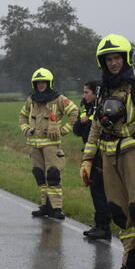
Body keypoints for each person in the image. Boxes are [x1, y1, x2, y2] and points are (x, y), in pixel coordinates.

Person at [81, 34, 135, 269]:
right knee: (121, 214)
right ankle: (131, 264)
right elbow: (95, 128)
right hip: (109, 157)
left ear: (126, 59)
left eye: (117, 58)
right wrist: (87, 159)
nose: (113, 63)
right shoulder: (103, 91)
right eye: (109, 59)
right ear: (102, 62)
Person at [19, 68, 78, 220]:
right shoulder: (31, 100)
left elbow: (74, 112)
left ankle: (56, 207)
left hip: (51, 145)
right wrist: (26, 129)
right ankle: (45, 205)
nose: (41, 85)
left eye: (43, 82)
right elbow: (22, 116)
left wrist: (63, 130)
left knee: (52, 175)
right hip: (35, 145)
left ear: (49, 83)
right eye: (38, 83)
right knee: (39, 175)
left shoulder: (58, 99)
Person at [73, 80, 112, 239]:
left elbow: (94, 132)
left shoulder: (101, 109)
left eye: (87, 92)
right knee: (95, 191)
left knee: (100, 192)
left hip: (100, 156)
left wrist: (88, 122)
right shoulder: (87, 109)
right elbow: (77, 131)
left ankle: (104, 227)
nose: (84, 96)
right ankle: (98, 225)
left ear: (96, 94)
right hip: (91, 155)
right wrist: (81, 121)